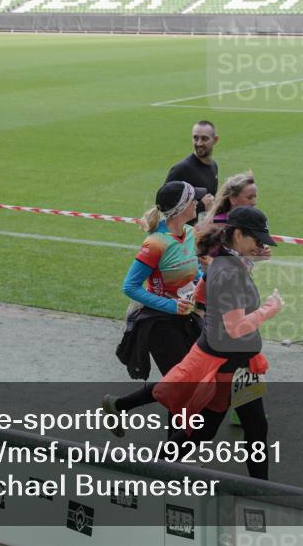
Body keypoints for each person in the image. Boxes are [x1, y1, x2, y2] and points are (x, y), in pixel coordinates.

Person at [153, 206, 283, 479]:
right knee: (210, 428)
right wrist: (270, 308)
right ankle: (154, 469)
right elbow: (235, 327)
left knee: (254, 427)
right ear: (237, 234)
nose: (260, 246)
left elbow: (204, 296)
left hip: (239, 361)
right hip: (228, 363)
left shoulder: (228, 261)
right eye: (256, 240)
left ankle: (260, 489)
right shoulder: (228, 269)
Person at [106, 181, 206, 436]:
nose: (198, 203)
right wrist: (170, 305)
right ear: (182, 207)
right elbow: (130, 286)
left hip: (187, 319)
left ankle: (119, 405)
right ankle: (173, 458)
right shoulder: (155, 243)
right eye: (194, 199)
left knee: (183, 383)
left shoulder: (191, 234)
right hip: (159, 324)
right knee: (183, 388)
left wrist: (202, 280)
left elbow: (196, 272)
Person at [165, 120, 219, 216]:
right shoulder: (181, 169)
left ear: (215, 140)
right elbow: (165, 206)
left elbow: (212, 205)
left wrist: (221, 225)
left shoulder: (213, 166)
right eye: (195, 138)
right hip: (183, 230)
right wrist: (201, 206)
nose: (199, 143)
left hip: (203, 229)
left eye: (204, 139)